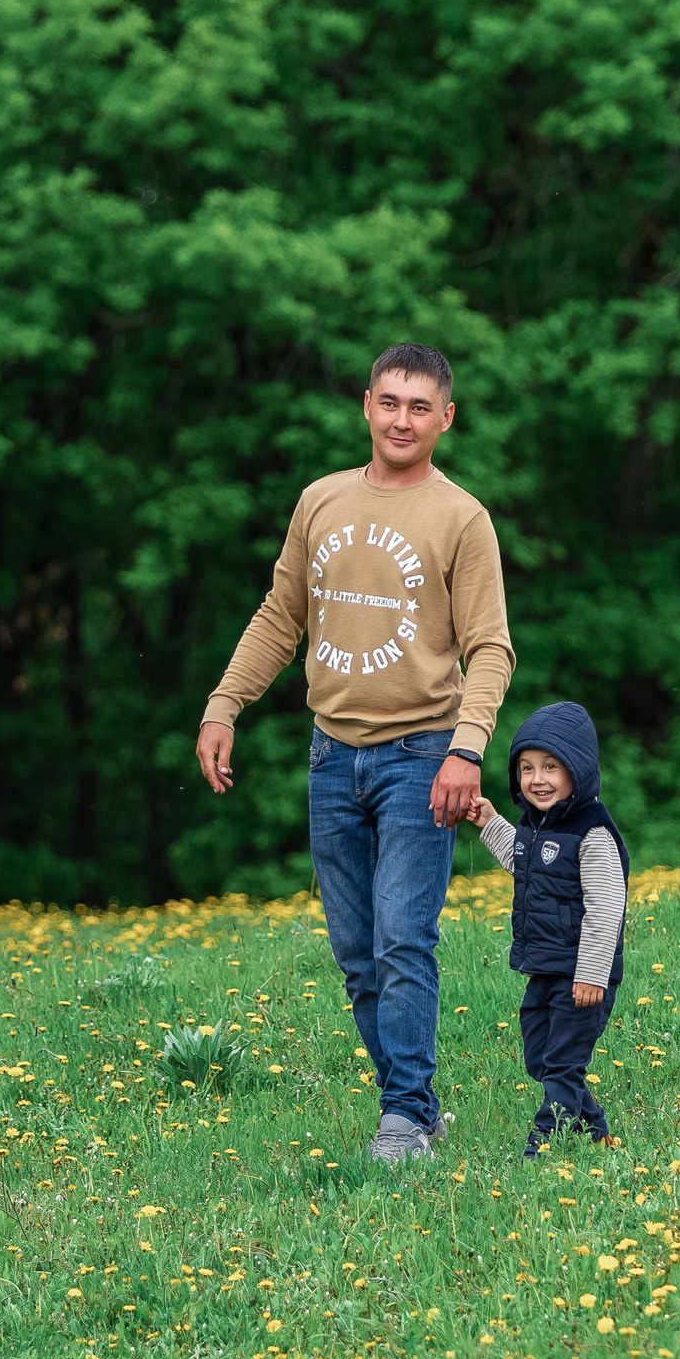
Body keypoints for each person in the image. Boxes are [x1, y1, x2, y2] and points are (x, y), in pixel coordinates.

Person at [194, 344, 514, 1164]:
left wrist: (466, 749)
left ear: (446, 418)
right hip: (330, 756)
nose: (402, 419)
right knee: (358, 956)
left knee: (404, 939)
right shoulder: (321, 501)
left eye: (420, 406)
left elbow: (490, 647)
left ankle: (402, 1120)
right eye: (389, 402)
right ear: (367, 405)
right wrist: (225, 703)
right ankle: (418, 1111)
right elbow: (280, 617)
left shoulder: (462, 518)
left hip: (423, 756)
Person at [465, 700, 629, 1156]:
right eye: (527, 768)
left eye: (551, 767)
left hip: (582, 975)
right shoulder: (536, 825)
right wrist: (489, 821)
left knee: (561, 1063)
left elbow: (606, 908)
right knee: (540, 1056)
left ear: (579, 769)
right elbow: (522, 859)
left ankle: (544, 1144)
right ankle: (595, 1131)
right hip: (544, 967)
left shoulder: (592, 833)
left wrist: (592, 974)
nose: (537, 779)